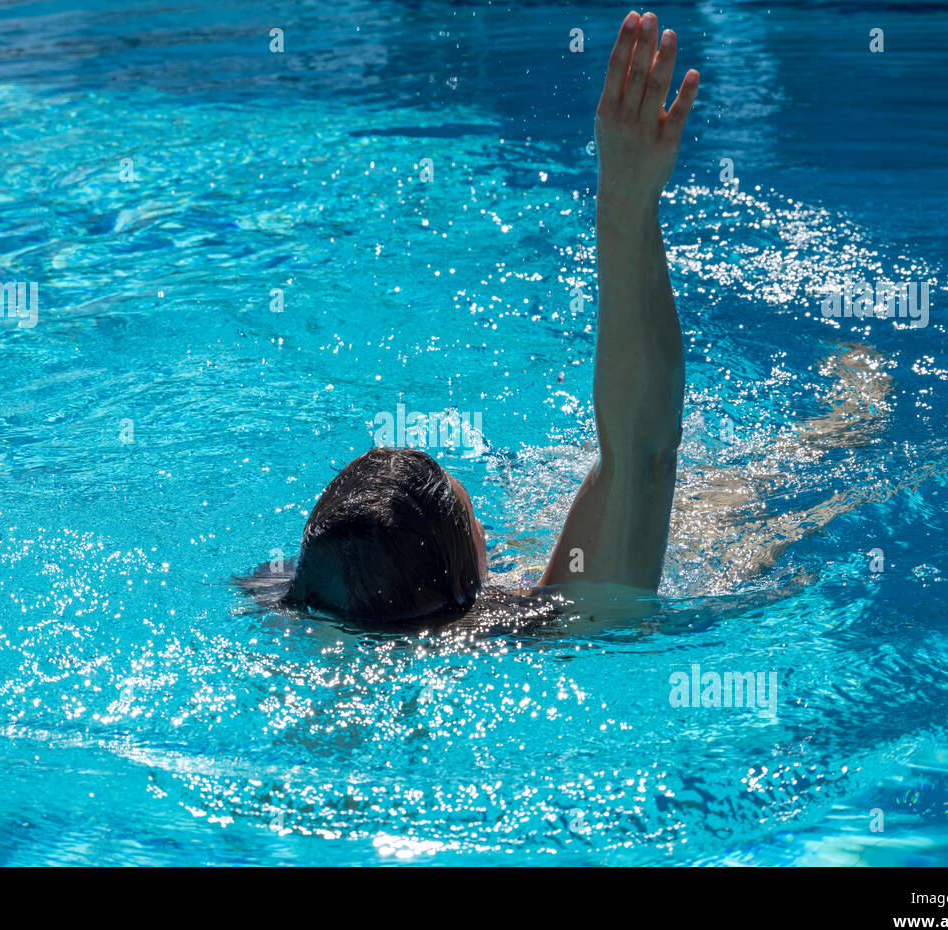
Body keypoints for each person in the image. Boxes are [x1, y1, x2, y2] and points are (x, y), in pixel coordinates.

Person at [239, 11, 700, 626]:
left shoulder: (296, 610)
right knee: (721, 512)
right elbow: (646, 454)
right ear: (471, 583)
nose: (482, 522)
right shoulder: (553, 629)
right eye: (474, 518)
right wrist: (626, 198)